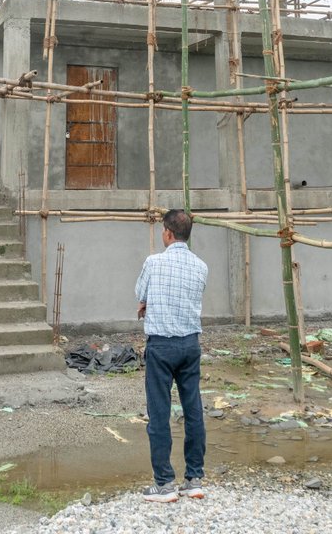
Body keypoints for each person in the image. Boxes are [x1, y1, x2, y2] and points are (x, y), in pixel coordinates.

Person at [135, 209, 208, 502]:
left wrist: (145, 304)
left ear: (167, 232)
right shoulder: (201, 266)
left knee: (159, 413)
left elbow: (141, 294)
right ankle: (194, 479)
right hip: (190, 344)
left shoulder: (153, 262)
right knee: (193, 410)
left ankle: (164, 483)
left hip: (161, 346)